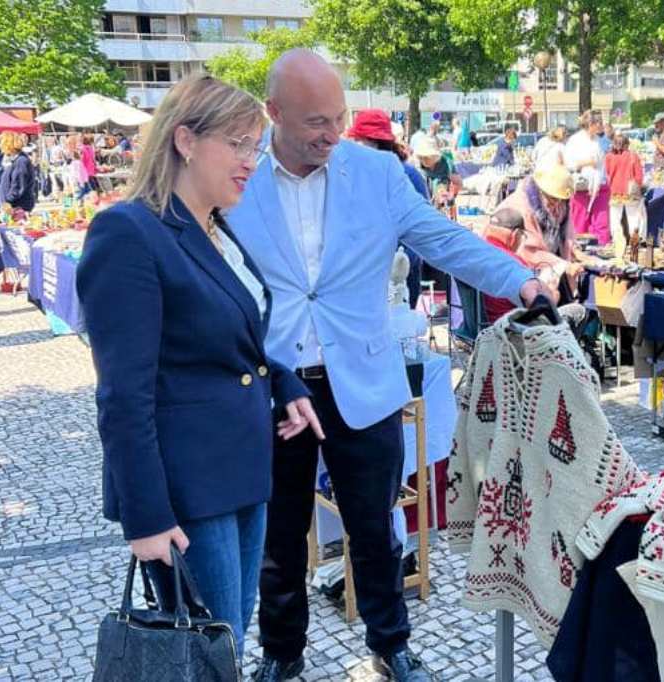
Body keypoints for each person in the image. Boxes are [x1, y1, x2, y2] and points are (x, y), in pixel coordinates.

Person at [226, 49, 550, 682]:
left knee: (375, 527)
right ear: (273, 114)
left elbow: (444, 239)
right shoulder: (239, 176)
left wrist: (521, 281)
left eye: (338, 118)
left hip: (362, 381)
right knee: (278, 536)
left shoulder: (376, 175)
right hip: (272, 385)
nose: (330, 133)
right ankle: (281, 653)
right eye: (315, 120)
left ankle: (391, 644)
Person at [75, 75, 323, 665]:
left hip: (242, 472)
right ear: (185, 140)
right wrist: (147, 516)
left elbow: (236, 337)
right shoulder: (129, 232)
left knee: (224, 647)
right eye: (238, 144)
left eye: (256, 147)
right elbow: (122, 396)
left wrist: (283, 381)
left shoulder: (215, 228)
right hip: (187, 489)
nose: (251, 162)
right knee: (203, 656)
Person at [346, 109, 430, 309]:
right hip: (363, 272)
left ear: (375, 143)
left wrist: (400, 264)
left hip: (400, 272)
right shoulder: (353, 174)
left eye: (359, 141)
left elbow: (423, 229)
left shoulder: (409, 175)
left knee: (400, 329)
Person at [492, 162, 581, 299]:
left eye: (561, 200)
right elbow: (527, 251)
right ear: (540, 191)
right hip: (519, 276)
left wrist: (576, 252)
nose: (557, 204)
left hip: (549, 269)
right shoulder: (521, 207)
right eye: (553, 199)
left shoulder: (560, 204)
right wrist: (564, 266)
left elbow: (567, 236)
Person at [565, 110, 610, 244]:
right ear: (591, 124)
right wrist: (586, 162)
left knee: (602, 224)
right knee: (580, 223)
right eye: (599, 122)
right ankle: (578, 252)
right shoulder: (575, 140)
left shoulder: (599, 141)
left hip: (600, 187)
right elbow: (568, 163)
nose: (601, 125)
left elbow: (602, 164)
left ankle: (602, 251)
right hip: (581, 188)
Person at [478, 208, 530, 321]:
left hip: (474, 328)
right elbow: (535, 304)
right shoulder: (514, 263)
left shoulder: (473, 254)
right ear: (515, 235)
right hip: (508, 328)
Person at [604, 132, 646, 259]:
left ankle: (618, 243)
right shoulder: (633, 156)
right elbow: (639, 176)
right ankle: (636, 241)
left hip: (614, 190)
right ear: (627, 144)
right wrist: (639, 186)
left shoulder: (609, 157)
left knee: (615, 219)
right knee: (634, 217)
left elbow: (607, 173)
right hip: (630, 191)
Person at [414, 136, 461, 212]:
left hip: (443, 206)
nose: (424, 160)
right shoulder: (417, 165)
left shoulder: (447, 163)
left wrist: (450, 194)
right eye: (422, 157)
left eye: (426, 157)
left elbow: (458, 183)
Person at [0, 132, 36, 212]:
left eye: (2, 143)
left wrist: (8, 200)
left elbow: (18, 185)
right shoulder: (14, 160)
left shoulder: (21, 161)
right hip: (11, 205)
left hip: (18, 206)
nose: (0, 146)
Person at [80, 133, 100, 200]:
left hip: (86, 172)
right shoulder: (89, 149)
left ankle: (86, 201)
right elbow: (92, 160)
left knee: (87, 190)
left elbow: (82, 161)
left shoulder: (83, 149)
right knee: (92, 189)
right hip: (90, 171)